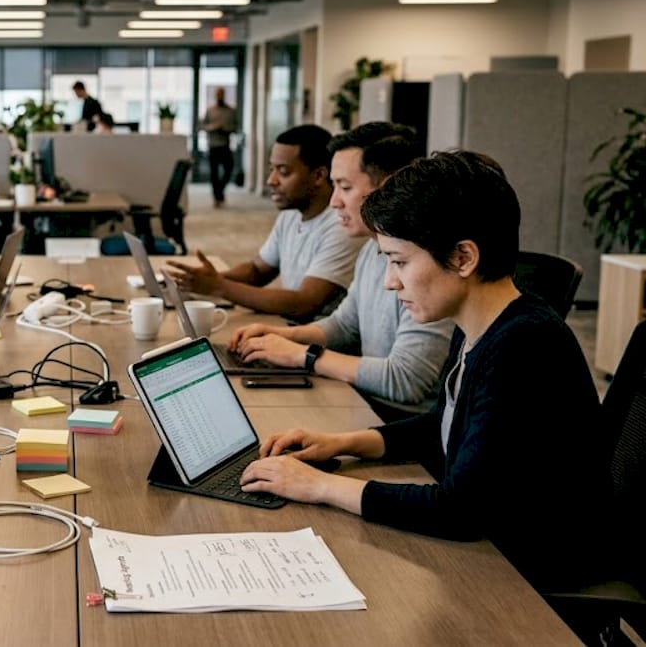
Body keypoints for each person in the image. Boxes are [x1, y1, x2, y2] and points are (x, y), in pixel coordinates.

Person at [238, 150, 609, 592]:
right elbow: (442, 428)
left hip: (530, 570)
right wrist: (341, 443)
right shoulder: (479, 324)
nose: (389, 281)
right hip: (493, 544)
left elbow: (458, 511)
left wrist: (319, 487)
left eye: (399, 261)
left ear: (463, 258)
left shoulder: (523, 345)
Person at [229, 123, 454, 420]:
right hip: (364, 400)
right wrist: (282, 336)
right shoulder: (370, 249)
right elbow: (345, 326)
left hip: (403, 422)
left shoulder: (426, 263)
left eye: (345, 187)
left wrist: (302, 355)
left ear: (389, 186)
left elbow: (406, 381)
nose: (334, 201)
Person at [165, 124, 365, 322]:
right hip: (292, 327)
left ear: (318, 176)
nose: (271, 180)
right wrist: (207, 279)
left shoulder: (343, 226)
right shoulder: (291, 214)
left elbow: (304, 303)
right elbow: (257, 270)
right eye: (272, 169)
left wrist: (218, 287)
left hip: (315, 334)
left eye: (283, 172)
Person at [201, 87, 238, 206]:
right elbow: (203, 126)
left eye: (221, 94)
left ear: (224, 95)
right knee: (214, 173)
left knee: (229, 168)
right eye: (218, 94)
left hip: (225, 145)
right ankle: (217, 197)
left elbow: (235, 127)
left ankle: (220, 191)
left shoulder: (231, 111)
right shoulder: (210, 111)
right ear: (215, 95)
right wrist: (212, 127)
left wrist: (225, 129)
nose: (219, 96)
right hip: (213, 145)